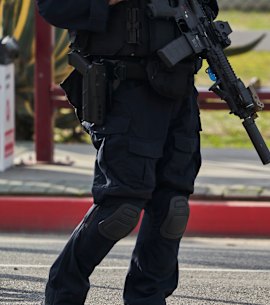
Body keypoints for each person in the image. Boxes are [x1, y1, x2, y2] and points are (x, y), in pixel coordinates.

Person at [36, 0, 219, 304]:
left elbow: (208, 8)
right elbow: (54, 7)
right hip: (123, 92)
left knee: (173, 205)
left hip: (178, 89)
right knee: (121, 207)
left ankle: (148, 297)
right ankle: (63, 291)